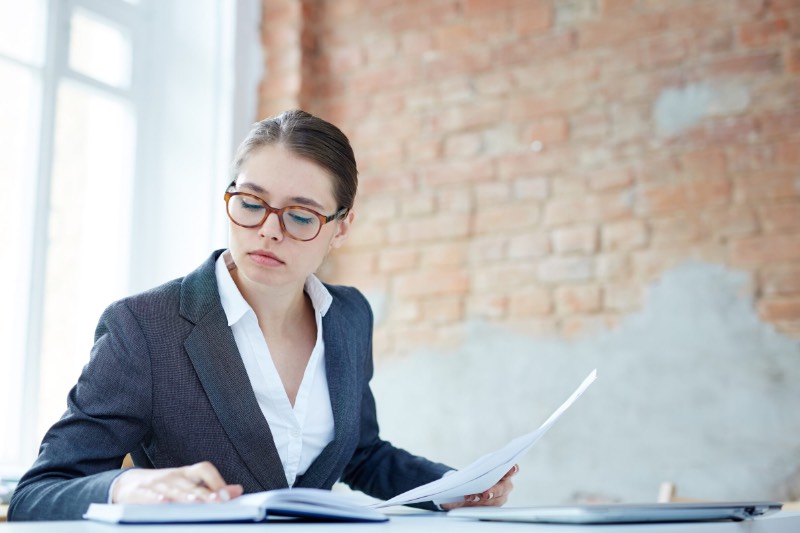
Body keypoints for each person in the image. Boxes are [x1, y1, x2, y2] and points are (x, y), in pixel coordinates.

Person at [9, 110, 517, 521]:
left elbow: (361, 454)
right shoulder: (144, 327)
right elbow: (39, 493)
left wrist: (455, 487)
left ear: (341, 228)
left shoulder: (349, 317)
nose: (269, 230)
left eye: (300, 215)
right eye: (251, 203)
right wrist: (128, 485)